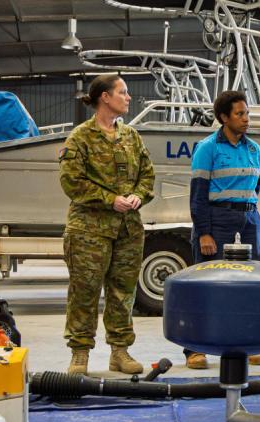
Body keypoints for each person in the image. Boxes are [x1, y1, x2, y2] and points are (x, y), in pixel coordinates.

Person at [60, 74, 155, 375]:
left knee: (123, 292)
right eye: (123, 92)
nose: (128, 98)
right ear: (104, 97)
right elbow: (71, 182)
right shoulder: (80, 137)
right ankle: (79, 353)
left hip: (127, 229)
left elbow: (148, 175)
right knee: (84, 291)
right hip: (89, 229)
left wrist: (138, 196)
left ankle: (120, 352)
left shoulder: (131, 136)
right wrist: (109, 199)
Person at [186, 90, 260, 369]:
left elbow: (257, 185)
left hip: (248, 221)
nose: (246, 119)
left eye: (247, 113)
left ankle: (246, 345)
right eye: (240, 114)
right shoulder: (207, 148)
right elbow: (198, 195)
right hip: (217, 222)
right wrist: (204, 232)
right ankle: (195, 350)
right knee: (207, 285)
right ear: (223, 117)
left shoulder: (255, 149)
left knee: (250, 285)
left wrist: (246, 211)